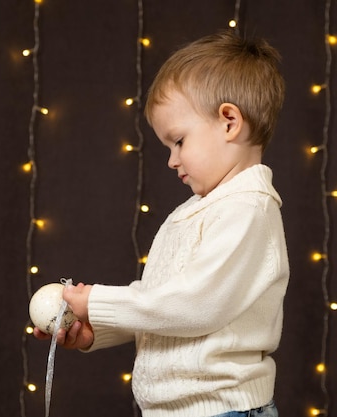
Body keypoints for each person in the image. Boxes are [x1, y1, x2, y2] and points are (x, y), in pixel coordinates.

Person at [35, 30, 289, 417]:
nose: (172, 160)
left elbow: (194, 304)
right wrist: (93, 328)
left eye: (179, 141)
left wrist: (99, 301)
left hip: (222, 411)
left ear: (229, 121)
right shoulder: (198, 209)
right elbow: (166, 304)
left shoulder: (247, 210)